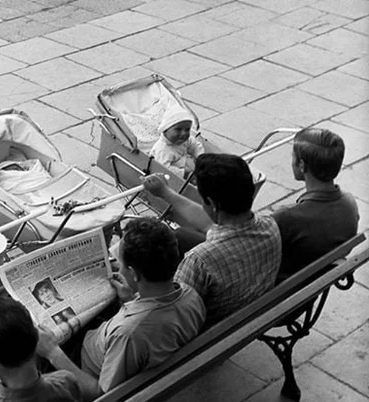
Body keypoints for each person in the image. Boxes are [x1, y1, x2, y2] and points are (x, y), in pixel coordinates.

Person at [37, 218, 205, 402]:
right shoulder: (190, 295)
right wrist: (128, 299)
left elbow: (102, 396)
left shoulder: (128, 335)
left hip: (81, 363)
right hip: (114, 338)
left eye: (121, 262)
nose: (119, 266)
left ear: (133, 273)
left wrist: (52, 352)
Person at [143, 154, 282, 327]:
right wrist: (165, 192)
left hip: (208, 331)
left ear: (211, 203)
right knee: (180, 235)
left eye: (203, 200)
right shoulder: (269, 225)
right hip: (245, 314)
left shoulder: (199, 261)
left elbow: (173, 314)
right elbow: (209, 223)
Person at [273, 128, 359, 282]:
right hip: (310, 288)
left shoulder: (287, 217)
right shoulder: (349, 204)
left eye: (292, 156)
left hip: (281, 297)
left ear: (301, 164)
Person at [149, 106, 205, 180]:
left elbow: (194, 145)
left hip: (188, 169)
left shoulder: (183, 140)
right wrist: (185, 173)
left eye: (187, 129)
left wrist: (200, 157)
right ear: (165, 129)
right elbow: (163, 170)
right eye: (178, 129)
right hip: (174, 180)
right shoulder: (162, 150)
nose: (184, 133)